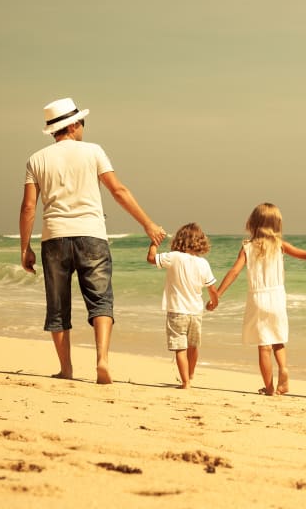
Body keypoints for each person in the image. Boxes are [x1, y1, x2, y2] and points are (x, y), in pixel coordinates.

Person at [20, 97, 167, 384]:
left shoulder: (36, 159)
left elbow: (28, 207)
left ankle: (66, 369)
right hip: (92, 235)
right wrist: (148, 224)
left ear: (53, 130)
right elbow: (118, 191)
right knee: (100, 301)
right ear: (73, 124)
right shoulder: (93, 151)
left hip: (55, 237)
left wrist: (24, 248)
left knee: (58, 306)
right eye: (82, 124)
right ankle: (102, 359)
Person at [209, 203, 306, 396]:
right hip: (277, 298)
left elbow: (234, 271)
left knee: (264, 345)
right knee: (278, 339)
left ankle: (269, 388)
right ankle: (283, 368)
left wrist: (217, 294)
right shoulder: (280, 245)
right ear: (276, 225)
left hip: (258, 298)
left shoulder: (247, 247)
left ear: (253, 222)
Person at [147, 223, 217, 389]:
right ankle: (190, 376)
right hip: (196, 312)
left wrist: (154, 243)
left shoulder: (174, 257)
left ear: (179, 240)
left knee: (180, 347)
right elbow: (212, 288)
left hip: (177, 310)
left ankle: (185, 382)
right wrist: (214, 302)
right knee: (193, 346)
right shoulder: (203, 263)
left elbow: (151, 259)